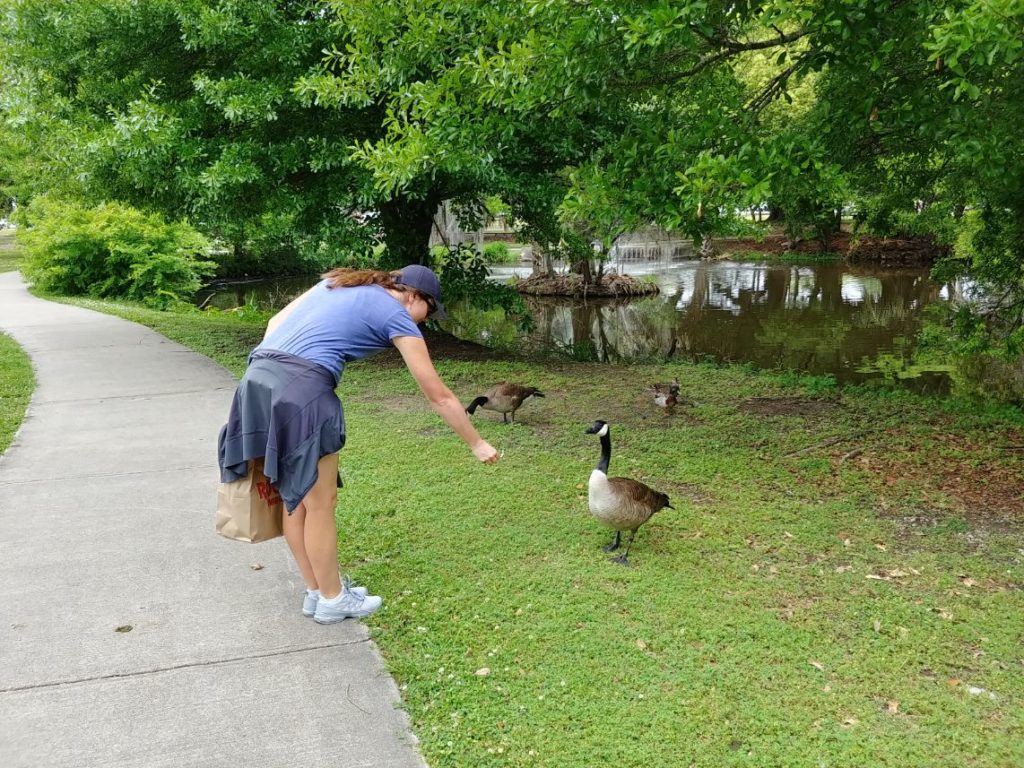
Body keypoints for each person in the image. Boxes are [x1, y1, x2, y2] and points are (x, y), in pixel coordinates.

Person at [217, 264, 500, 624]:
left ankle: (318, 590)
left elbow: (274, 322)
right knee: (320, 502)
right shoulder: (396, 314)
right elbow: (438, 396)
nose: (423, 323)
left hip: (257, 380)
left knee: (296, 499)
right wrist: (476, 443)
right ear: (413, 296)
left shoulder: (336, 285)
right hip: (302, 389)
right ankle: (334, 600)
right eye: (428, 313)